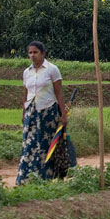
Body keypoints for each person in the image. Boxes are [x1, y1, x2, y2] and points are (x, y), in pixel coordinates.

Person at [16, 41, 67, 184]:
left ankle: (47, 176)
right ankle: (26, 177)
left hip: (48, 112)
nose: (32, 55)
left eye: (35, 52)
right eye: (30, 53)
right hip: (31, 112)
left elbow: (59, 94)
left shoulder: (52, 70)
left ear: (42, 54)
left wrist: (63, 114)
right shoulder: (27, 72)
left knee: (46, 144)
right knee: (29, 144)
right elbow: (26, 94)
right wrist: (23, 113)